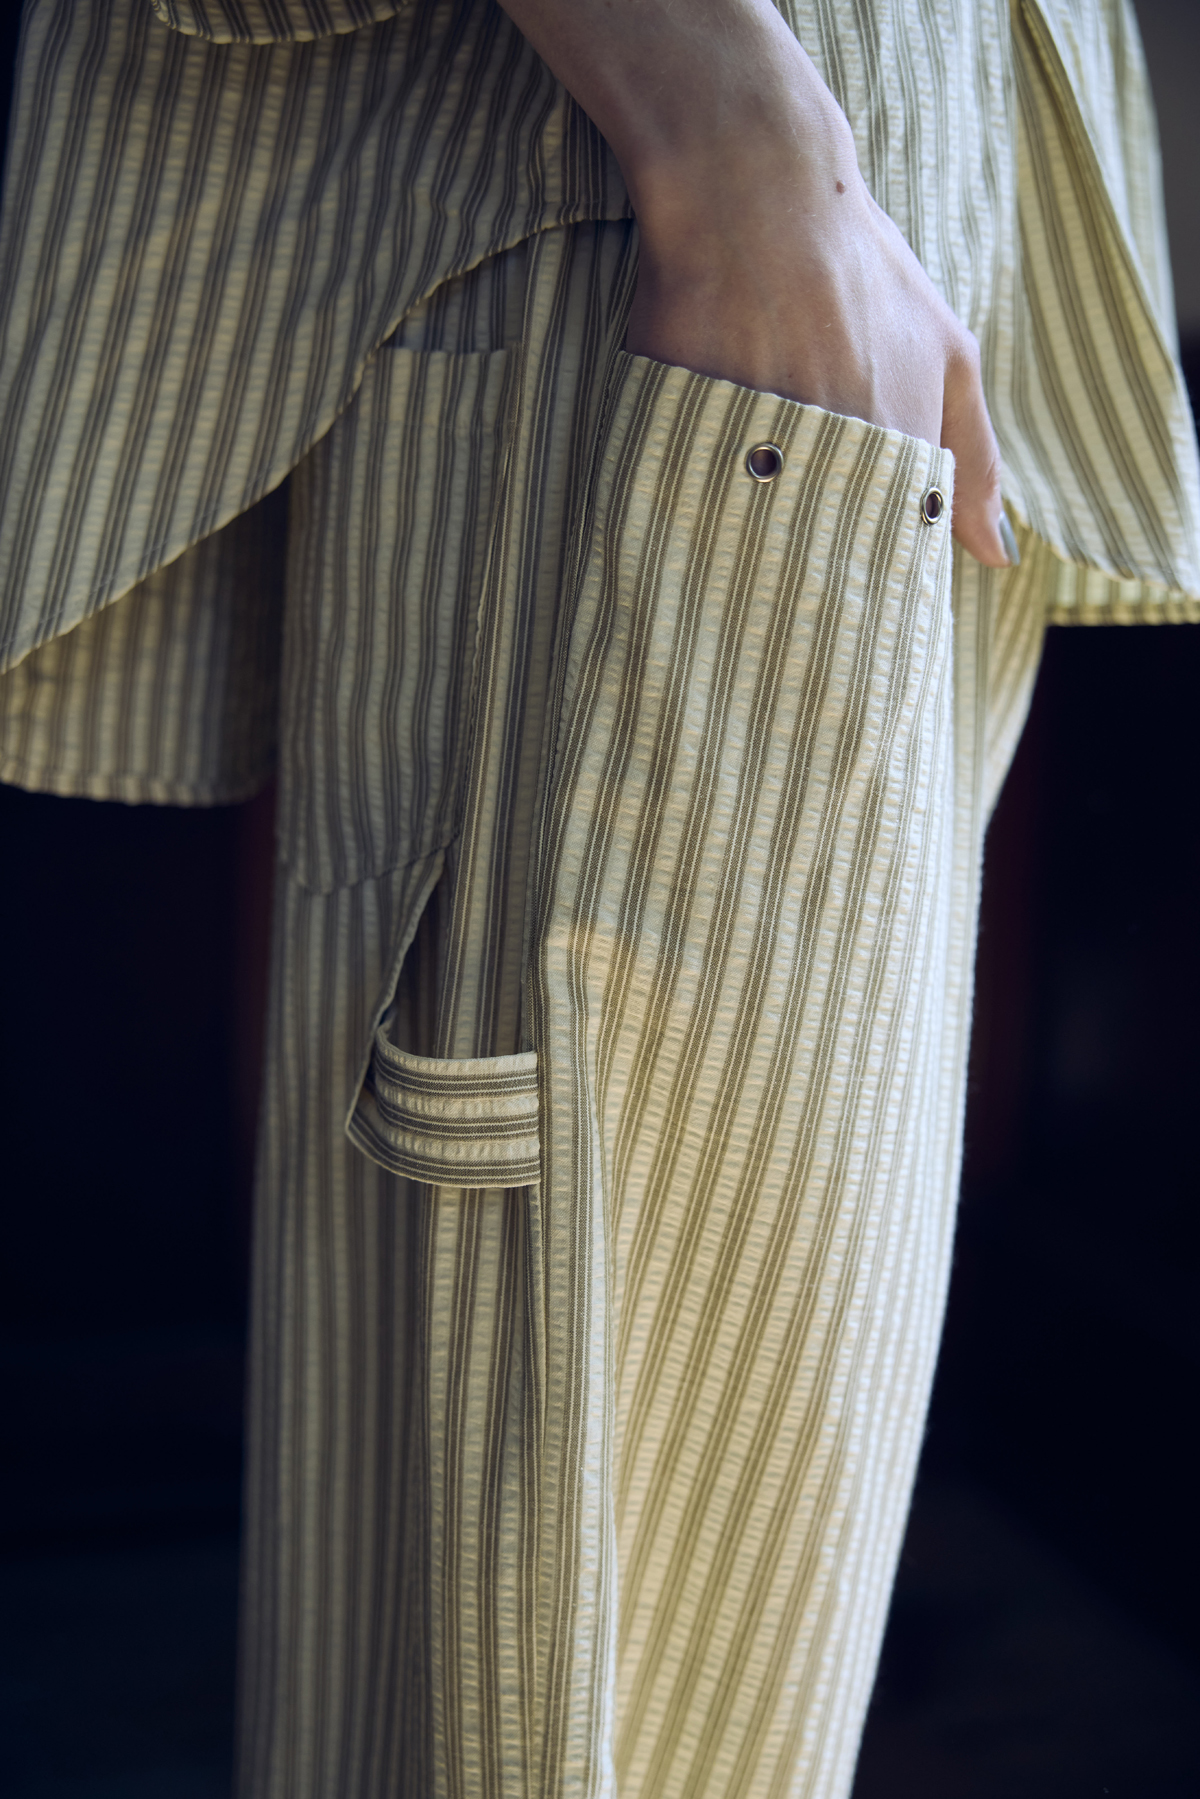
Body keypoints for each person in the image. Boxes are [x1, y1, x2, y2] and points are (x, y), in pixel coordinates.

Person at [0, 2, 1196, 1795]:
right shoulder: (741, 206)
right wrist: (740, 151)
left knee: (676, 1589)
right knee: (630, 1670)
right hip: (696, 245)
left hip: (833, 261)